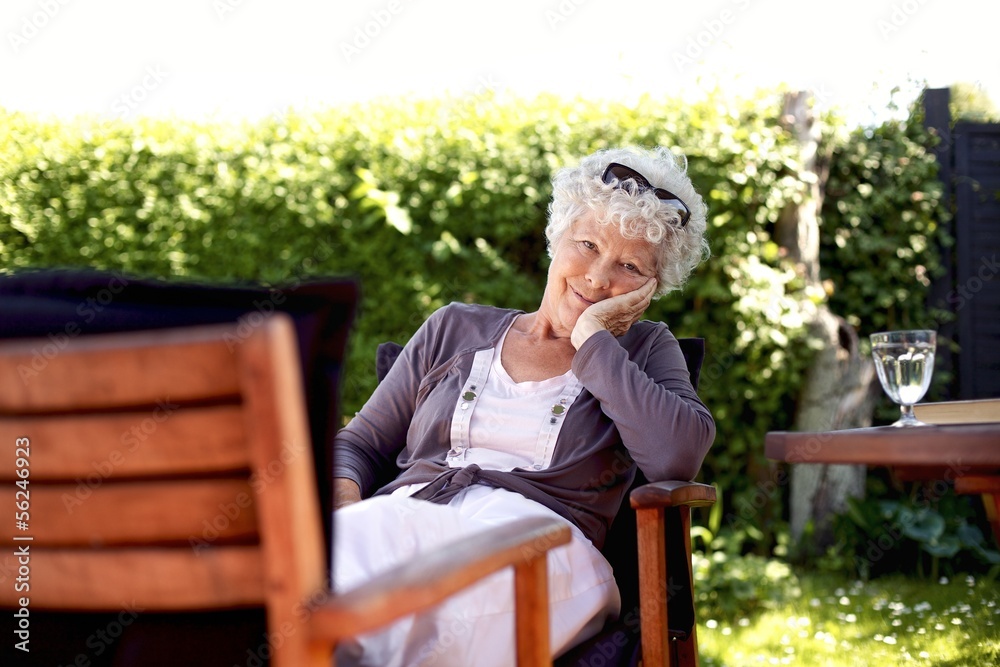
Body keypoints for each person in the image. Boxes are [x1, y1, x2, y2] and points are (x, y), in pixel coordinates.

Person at [331, 145, 715, 666]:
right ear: (557, 239)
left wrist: (593, 339)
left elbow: (676, 457)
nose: (600, 278)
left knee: (441, 607)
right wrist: (345, 505)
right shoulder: (453, 327)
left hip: (545, 552)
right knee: (314, 565)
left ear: (652, 286)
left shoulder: (645, 349)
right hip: (407, 522)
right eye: (587, 244)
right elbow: (359, 442)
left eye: (629, 265)